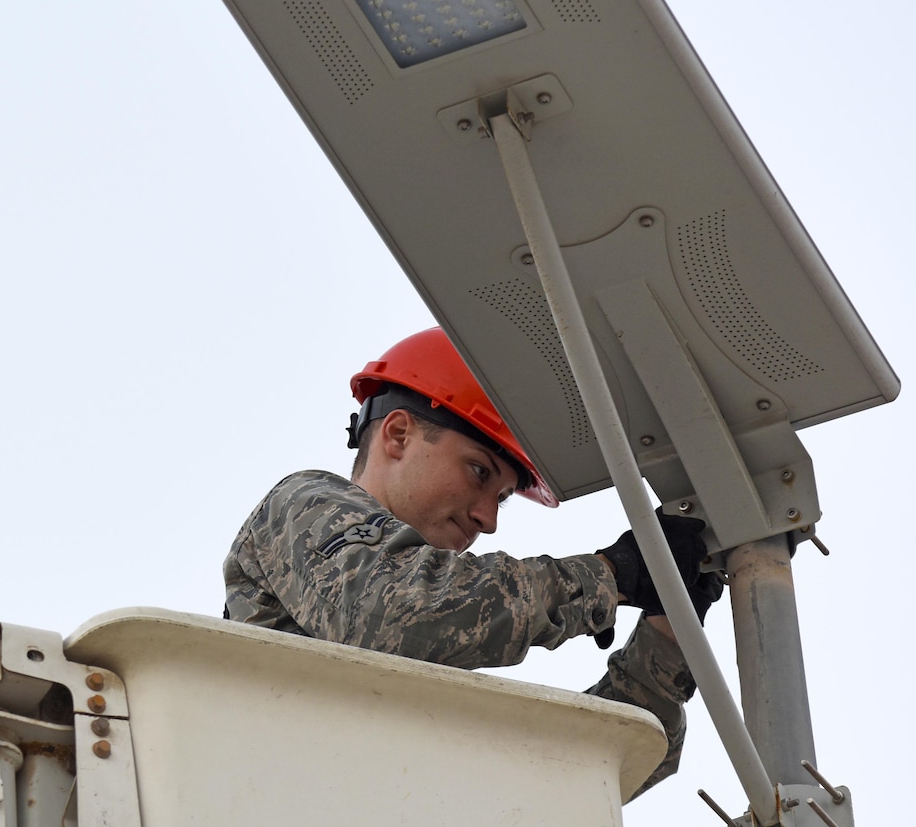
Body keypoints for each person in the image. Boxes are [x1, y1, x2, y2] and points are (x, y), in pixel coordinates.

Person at [223, 327, 723, 796]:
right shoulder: (306, 504)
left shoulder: (425, 669)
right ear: (397, 436)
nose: (488, 519)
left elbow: (598, 768)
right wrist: (613, 575)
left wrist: (669, 623)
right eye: (478, 472)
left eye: (502, 498)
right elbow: (395, 612)